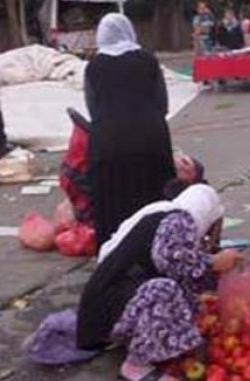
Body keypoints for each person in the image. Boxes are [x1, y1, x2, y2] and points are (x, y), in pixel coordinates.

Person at [76, 184, 243, 381]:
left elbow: (179, 270)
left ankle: (141, 340)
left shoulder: (168, 217)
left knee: (181, 296)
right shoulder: (178, 221)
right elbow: (173, 260)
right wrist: (214, 262)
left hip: (115, 304)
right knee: (165, 290)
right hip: (107, 308)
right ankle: (136, 367)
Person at [85, 14, 176, 248]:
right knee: (153, 195)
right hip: (150, 137)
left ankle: (114, 255)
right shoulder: (148, 61)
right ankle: (159, 251)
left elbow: (93, 108)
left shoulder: (94, 66)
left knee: (112, 197)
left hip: (108, 141)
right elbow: (162, 103)